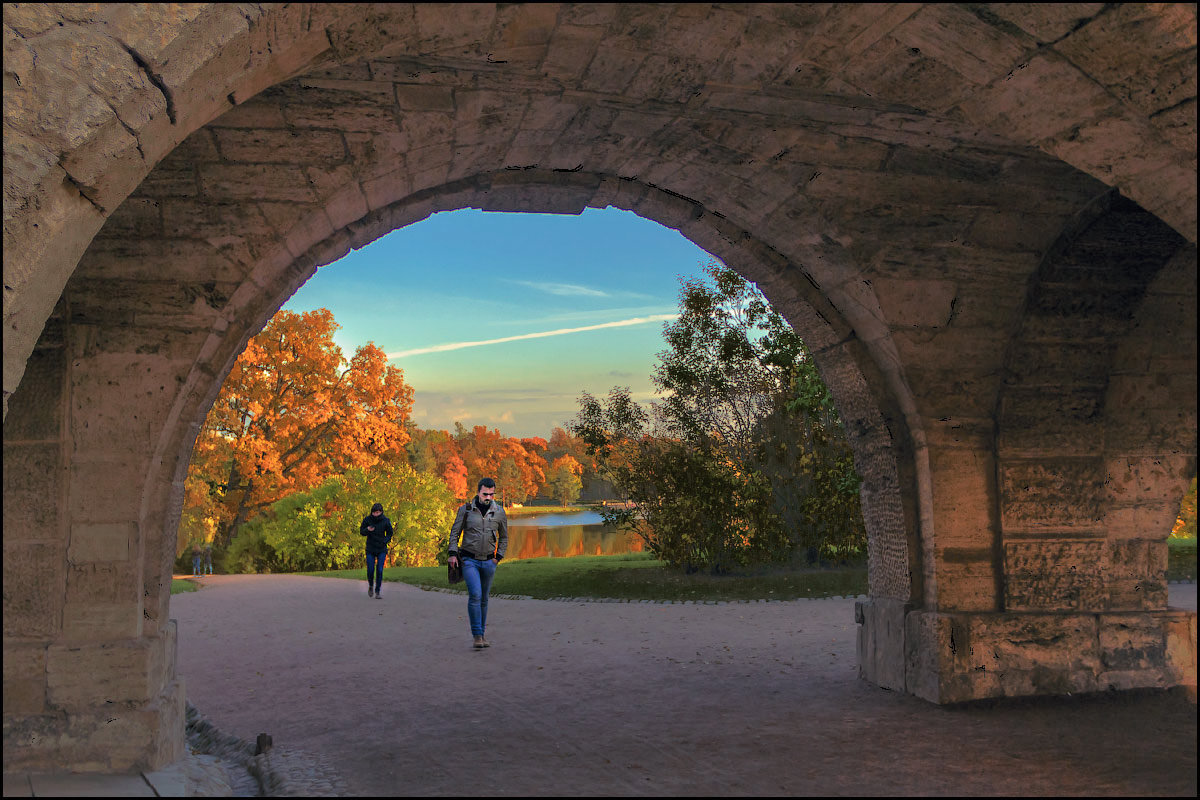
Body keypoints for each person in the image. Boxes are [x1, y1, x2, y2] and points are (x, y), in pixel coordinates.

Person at [447, 478, 508, 648]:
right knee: (475, 594)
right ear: (478, 492)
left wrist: (498, 557)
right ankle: (477, 636)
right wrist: (452, 553)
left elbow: (504, 536)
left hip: (489, 561)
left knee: (484, 599)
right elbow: (454, 533)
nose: (488, 497)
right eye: (485, 493)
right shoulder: (466, 510)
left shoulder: (499, 512)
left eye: (491, 494)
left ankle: (482, 634)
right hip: (469, 560)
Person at [360, 502, 394, 599]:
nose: (376, 514)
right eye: (374, 512)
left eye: (378, 512)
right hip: (370, 548)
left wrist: (385, 541)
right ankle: (371, 585)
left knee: (379, 569)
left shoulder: (386, 521)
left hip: (381, 548)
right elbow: (361, 532)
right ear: (372, 512)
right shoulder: (367, 520)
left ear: (381, 512)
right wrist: (367, 530)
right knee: (370, 569)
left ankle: (377, 591)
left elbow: (390, 533)